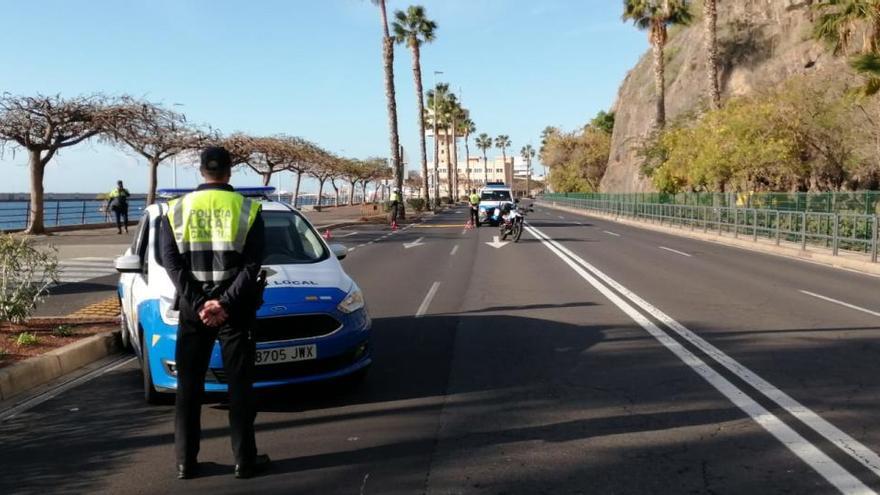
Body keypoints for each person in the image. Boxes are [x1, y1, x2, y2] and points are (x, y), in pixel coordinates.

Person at [160, 146, 270, 481]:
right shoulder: (248, 209)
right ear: (229, 171)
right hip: (235, 312)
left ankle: (185, 462)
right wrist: (224, 303)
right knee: (240, 385)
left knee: (189, 387)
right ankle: (244, 461)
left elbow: (172, 263)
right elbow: (251, 267)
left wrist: (200, 303)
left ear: (201, 172)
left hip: (195, 313)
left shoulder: (175, 210)